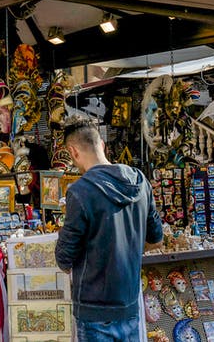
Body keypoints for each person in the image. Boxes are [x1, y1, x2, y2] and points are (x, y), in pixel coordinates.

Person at [55, 118, 163, 342]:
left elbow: (64, 260)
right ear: (102, 145)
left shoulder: (80, 192)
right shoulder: (140, 181)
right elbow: (156, 241)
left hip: (95, 310)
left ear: (73, 152)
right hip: (130, 305)